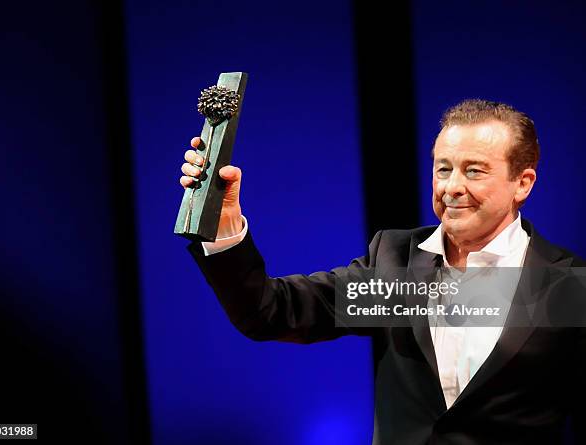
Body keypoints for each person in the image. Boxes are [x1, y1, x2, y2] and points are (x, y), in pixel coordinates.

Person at [180, 99, 586, 444]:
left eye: (474, 170)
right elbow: (270, 311)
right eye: (443, 169)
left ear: (523, 183)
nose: (451, 187)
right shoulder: (398, 264)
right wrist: (225, 225)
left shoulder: (566, 285)